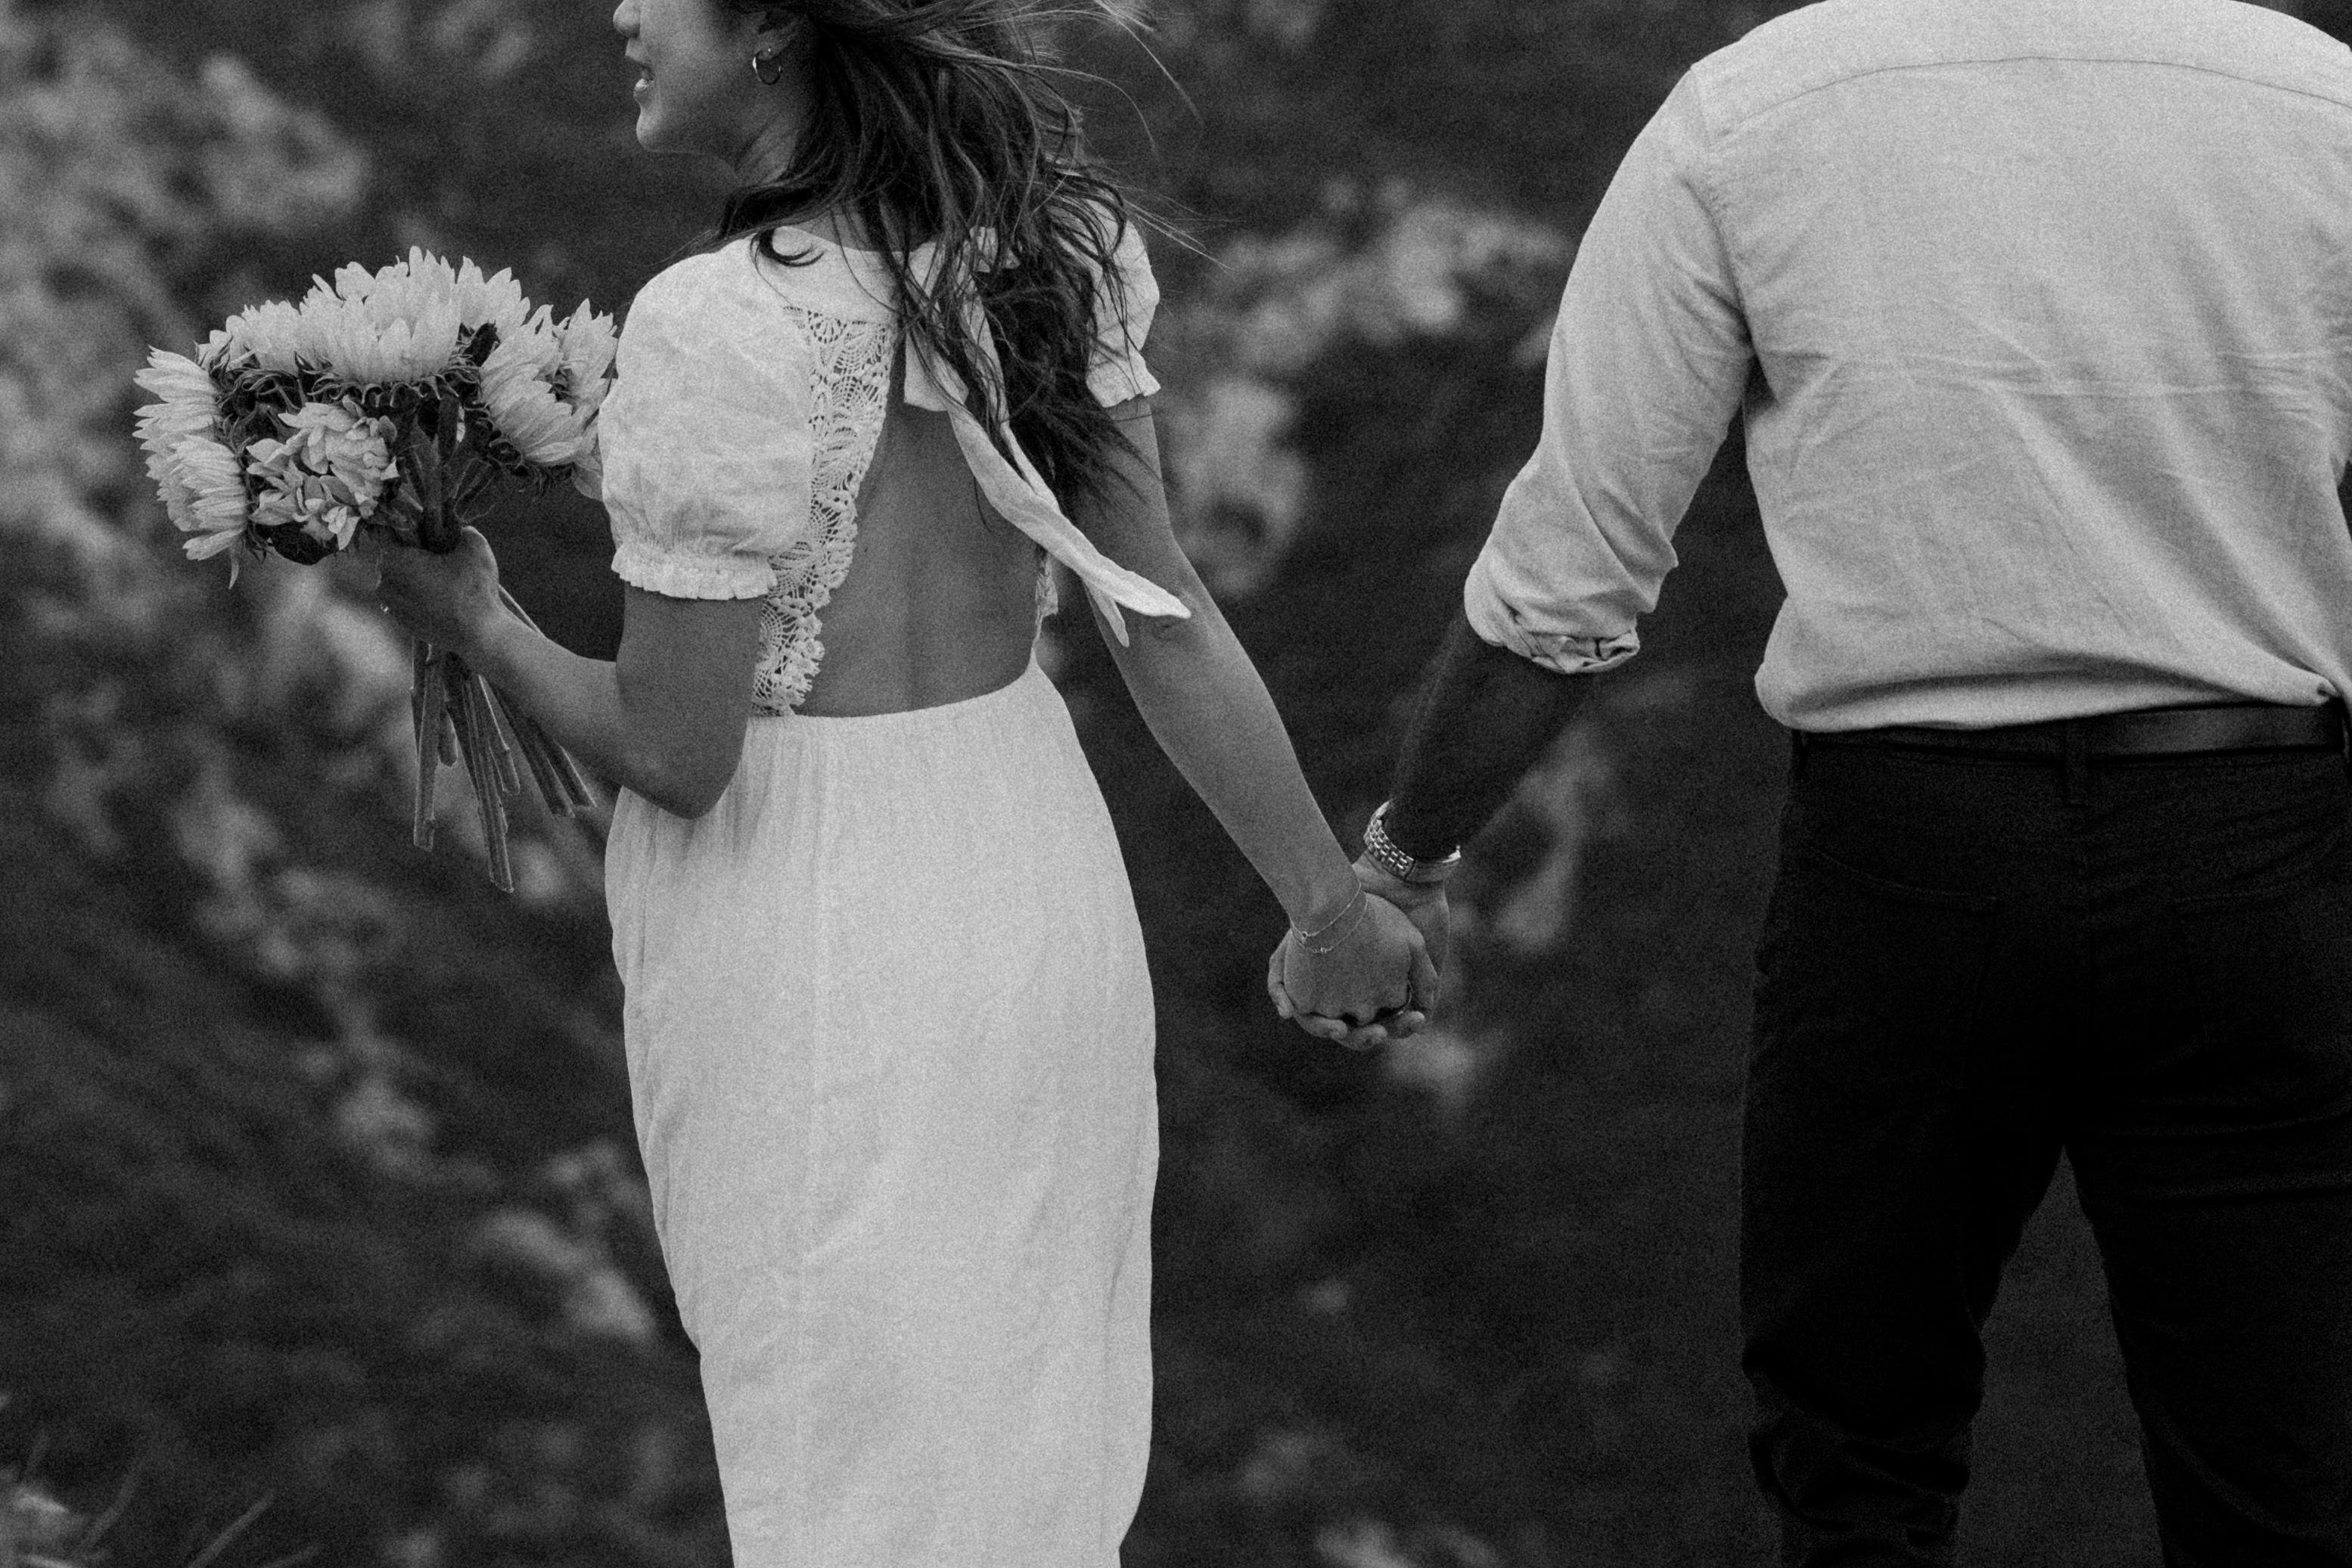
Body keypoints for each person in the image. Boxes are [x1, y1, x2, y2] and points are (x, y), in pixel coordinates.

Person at [1275, 0, 2352, 1562]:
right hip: (2249, 845)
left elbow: (1563, 587)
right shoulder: (2319, 100)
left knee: (1858, 1461)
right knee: (2283, 1477)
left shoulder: (1749, 114)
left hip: (1912, 867)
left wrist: (1398, 862)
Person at [374, 0, 1432, 1562]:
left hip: (821, 921)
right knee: (1007, 1440)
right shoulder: (1043, 257)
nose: (619, 14)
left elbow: (676, 751)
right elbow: (1166, 621)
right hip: (1023, 854)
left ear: (771, 34)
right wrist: (1327, 904)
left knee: (845, 1465)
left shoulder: (715, 322)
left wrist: (476, 618)